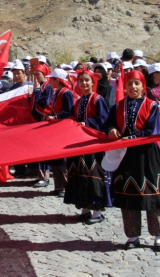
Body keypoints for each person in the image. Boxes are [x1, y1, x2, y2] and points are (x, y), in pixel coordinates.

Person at [105, 70, 160, 252]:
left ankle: (159, 236)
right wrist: (111, 129)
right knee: (127, 197)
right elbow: (108, 124)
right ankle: (132, 236)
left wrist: (132, 137)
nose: (133, 87)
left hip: (147, 156)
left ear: (143, 86)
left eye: (137, 83)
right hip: (125, 156)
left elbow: (153, 131)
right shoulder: (118, 107)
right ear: (124, 86)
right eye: (129, 83)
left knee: (153, 196)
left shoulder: (152, 106)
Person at [63, 69, 111, 225]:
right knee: (79, 175)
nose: (84, 83)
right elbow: (72, 116)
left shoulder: (98, 100)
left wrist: (87, 124)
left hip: (93, 145)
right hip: (80, 145)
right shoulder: (79, 101)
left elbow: (103, 120)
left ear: (92, 82)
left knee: (94, 176)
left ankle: (98, 211)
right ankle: (85, 208)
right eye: (81, 80)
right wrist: (57, 118)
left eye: (87, 80)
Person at [43, 68, 75, 197]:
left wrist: (56, 117)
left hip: (61, 129)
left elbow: (69, 111)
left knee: (60, 160)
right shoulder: (58, 92)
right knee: (55, 160)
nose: (49, 81)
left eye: (51, 79)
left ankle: (64, 186)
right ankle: (58, 186)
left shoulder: (66, 93)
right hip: (55, 129)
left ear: (57, 80)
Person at [30, 63, 54, 188]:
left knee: (42, 149)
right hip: (36, 120)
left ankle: (45, 176)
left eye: (37, 74)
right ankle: (40, 175)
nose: (36, 77)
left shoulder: (47, 87)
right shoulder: (39, 86)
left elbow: (45, 102)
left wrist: (37, 91)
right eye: (34, 75)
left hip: (43, 120)